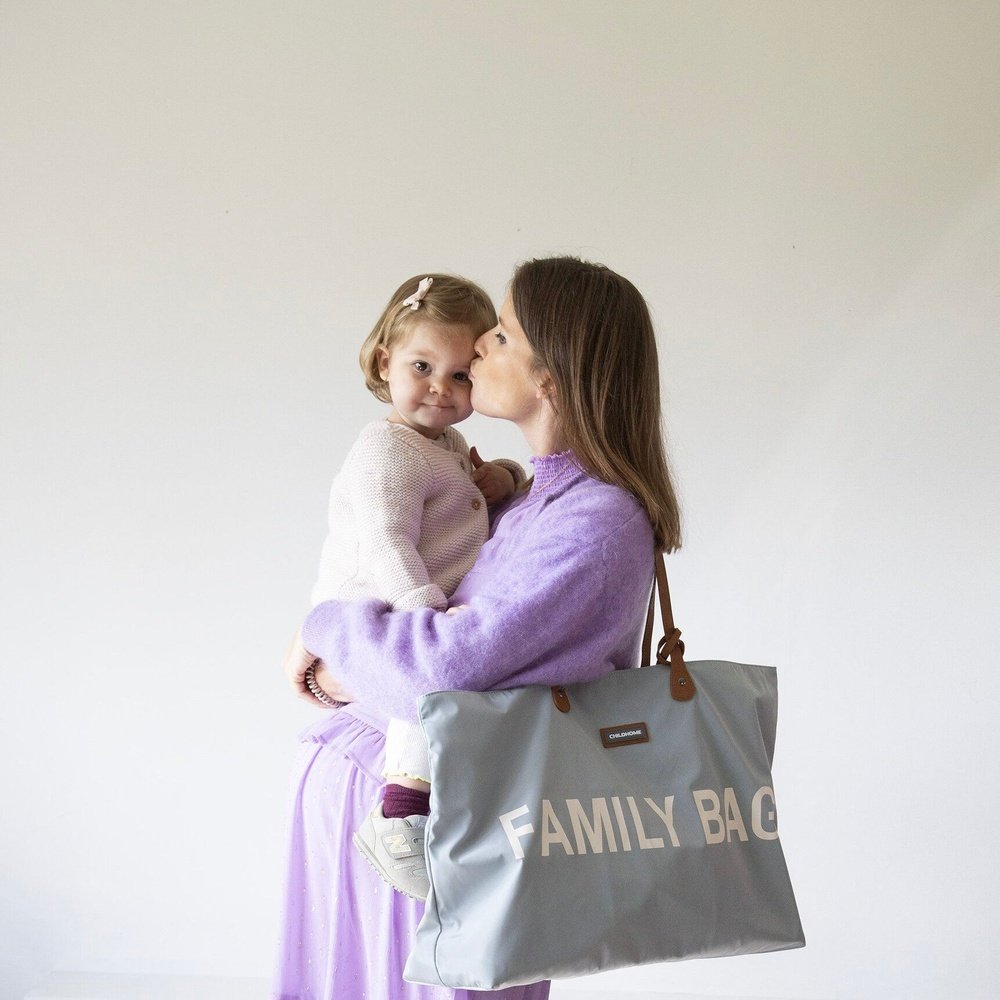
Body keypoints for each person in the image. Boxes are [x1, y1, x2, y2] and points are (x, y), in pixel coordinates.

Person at [277, 256, 682, 1000]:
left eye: (501, 335)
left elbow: (436, 670)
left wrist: (328, 624)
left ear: (550, 374)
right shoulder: (530, 502)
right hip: (395, 810)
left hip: (444, 833)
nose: (477, 350)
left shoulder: (595, 522)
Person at [303, 273, 523, 901]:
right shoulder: (387, 448)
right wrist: (422, 611)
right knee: (421, 692)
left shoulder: (444, 444)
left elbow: (472, 487)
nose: (439, 389)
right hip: (379, 599)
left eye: (460, 375)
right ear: (384, 360)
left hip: (407, 601)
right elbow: (384, 541)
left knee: (434, 689)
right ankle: (399, 811)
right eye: (422, 366)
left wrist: (502, 476)